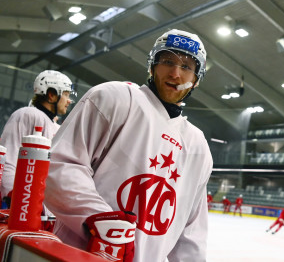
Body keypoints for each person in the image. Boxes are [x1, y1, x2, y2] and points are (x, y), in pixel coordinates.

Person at [44, 29, 213, 262]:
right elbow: (60, 165)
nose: (175, 73)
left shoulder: (198, 146)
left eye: (187, 67)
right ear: (152, 65)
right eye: (167, 61)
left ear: (196, 79)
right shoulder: (114, 98)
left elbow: (191, 232)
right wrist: (98, 217)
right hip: (79, 255)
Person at [0, 70, 74, 199]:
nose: (69, 101)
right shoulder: (27, 114)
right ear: (51, 95)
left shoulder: (54, 125)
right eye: (66, 95)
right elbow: (9, 158)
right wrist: (13, 196)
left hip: (40, 200)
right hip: (23, 200)